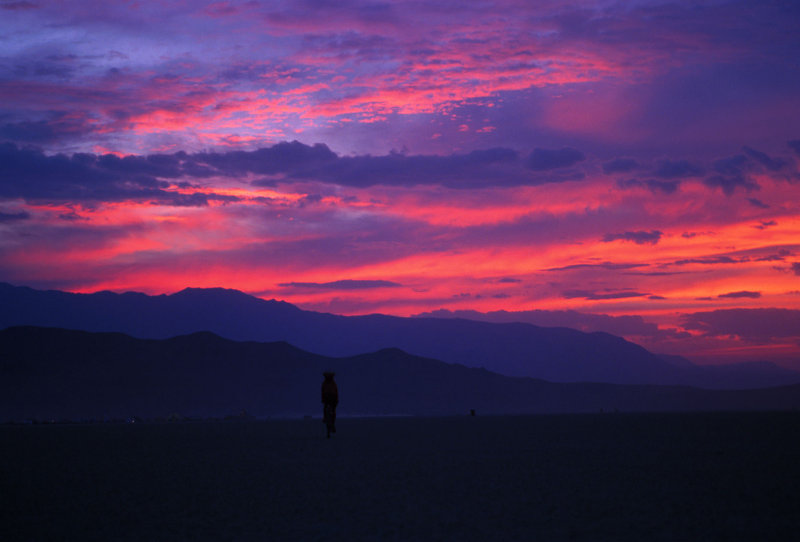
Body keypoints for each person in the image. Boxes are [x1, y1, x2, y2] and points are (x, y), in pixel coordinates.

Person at [321, 372, 338, 438]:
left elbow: (336, 392)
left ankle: (331, 422)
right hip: (328, 399)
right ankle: (326, 418)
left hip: (332, 399)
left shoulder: (332, 384)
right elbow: (323, 392)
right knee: (327, 409)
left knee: (332, 410)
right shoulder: (326, 383)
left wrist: (336, 400)